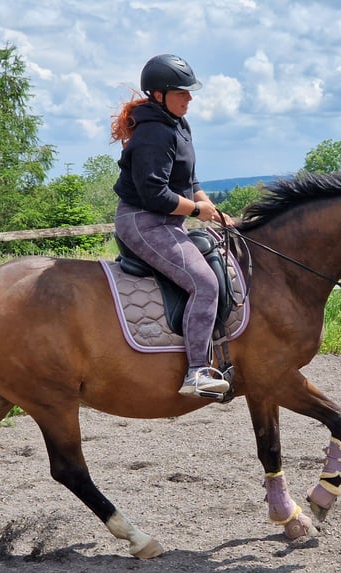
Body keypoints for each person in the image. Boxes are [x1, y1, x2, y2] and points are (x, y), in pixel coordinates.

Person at [111, 54, 231, 398]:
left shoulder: (179, 125)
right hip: (144, 221)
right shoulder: (152, 135)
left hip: (170, 218)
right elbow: (155, 195)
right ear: (159, 95)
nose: (189, 98)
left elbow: (190, 181)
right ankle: (196, 372)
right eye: (182, 92)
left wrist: (214, 210)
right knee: (205, 284)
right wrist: (197, 211)